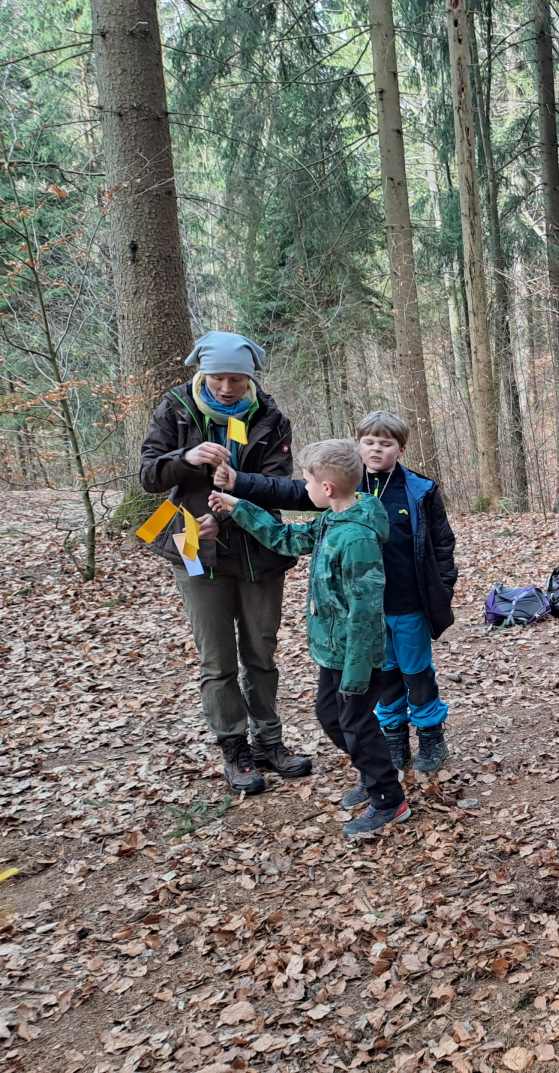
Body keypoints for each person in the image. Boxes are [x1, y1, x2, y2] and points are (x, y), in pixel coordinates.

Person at [216, 411, 458, 783]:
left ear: (401, 449)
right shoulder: (345, 492)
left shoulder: (419, 490)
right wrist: (239, 485)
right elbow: (290, 491)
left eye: (385, 443)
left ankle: (430, 736)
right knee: (385, 677)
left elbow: (441, 544)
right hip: (365, 613)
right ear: (357, 447)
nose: (376, 449)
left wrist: (443, 591)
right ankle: (393, 739)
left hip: (409, 604)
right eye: (369, 442)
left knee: (417, 674)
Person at [139, 332, 311, 795]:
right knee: (216, 658)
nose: (227, 388)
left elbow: (277, 486)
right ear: (203, 373)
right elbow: (149, 476)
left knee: (261, 652)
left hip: (258, 549)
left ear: (250, 377)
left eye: (236, 379)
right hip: (192, 545)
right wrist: (186, 457)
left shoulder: (270, 417)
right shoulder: (176, 408)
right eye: (218, 378)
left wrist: (231, 507)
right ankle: (234, 749)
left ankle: (269, 742)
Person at [209, 440, 409, 839]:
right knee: (331, 716)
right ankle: (376, 773)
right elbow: (287, 539)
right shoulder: (331, 521)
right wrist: (239, 507)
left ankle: (389, 799)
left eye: (307, 482)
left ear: (327, 488)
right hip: (334, 651)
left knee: (356, 725)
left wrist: (356, 675)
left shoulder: (357, 540)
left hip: (355, 657)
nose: (305, 488)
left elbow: (366, 614)